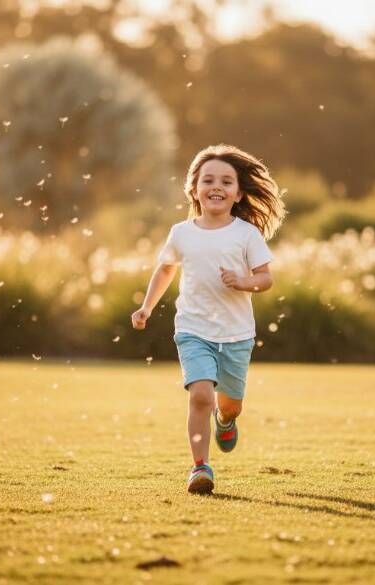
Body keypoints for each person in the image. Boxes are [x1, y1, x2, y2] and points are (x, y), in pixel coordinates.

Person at [131, 144, 286, 494]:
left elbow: (265, 278)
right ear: (194, 189)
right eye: (208, 180)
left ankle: (225, 421)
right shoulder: (181, 233)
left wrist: (244, 281)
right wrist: (147, 307)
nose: (217, 186)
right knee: (201, 395)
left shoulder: (246, 234)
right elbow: (166, 269)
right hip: (193, 329)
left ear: (238, 193)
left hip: (236, 334)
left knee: (230, 405)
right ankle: (200, 467)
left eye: (226, 181)